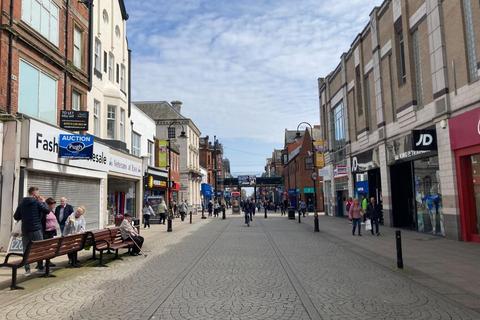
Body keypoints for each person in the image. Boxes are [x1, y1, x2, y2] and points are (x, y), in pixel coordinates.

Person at [13, 187, 51, 273]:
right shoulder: (37, 202)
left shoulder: (22, 203)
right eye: (38, 193)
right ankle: (40, 268)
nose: (39, 195)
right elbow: (47, 211)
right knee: (40, 247)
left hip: (25, 229)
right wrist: (43, 202)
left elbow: (16, 217)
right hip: (36, 229)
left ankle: (27, 270)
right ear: (34, 194)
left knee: (26, 249)